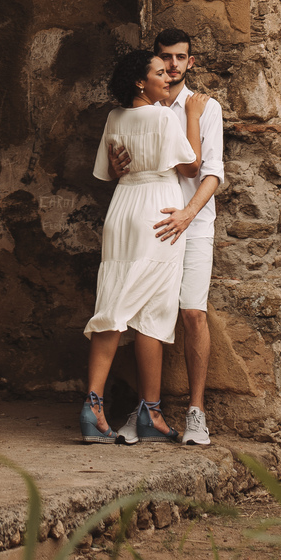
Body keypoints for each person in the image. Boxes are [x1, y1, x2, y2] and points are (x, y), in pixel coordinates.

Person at [80, 48, 207, 444]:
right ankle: (97, 406)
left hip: (123, 209)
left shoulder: (115, 117)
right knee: (134, 307)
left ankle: (147, 412)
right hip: (157, 211)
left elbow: (108, 171)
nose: (168, 77)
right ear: (140, 82)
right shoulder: (163, 116)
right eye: (159, 73)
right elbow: (191, 166)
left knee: (130, 301)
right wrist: (192, 116)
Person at [108, 26, 223, 448]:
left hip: (193, 224)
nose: (172, 65)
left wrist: (188, 215)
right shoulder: (139, 109)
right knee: (146, 315)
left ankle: (196, 412)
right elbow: (122, 168)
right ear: (154, 60)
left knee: (192, 313)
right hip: (152, 223)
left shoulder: (205, 108)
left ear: (190, 61)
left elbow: (210, 172)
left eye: (180, 57)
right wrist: (119, 166)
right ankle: (146, 410)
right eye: (165, 57)